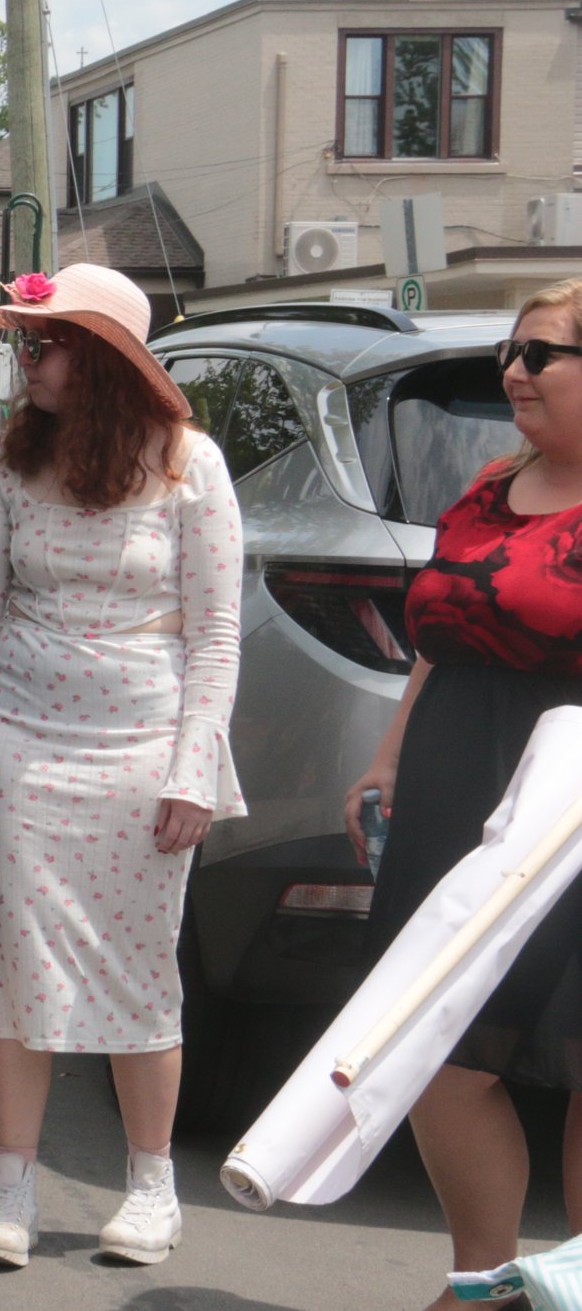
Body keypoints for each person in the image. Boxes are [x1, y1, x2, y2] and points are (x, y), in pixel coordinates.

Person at [0, 262, 245, 1270]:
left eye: (49, 340)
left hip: (141, 749)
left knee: (138, 966)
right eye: (26, 340)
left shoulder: (187, 464)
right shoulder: (4, 468)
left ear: (108, 358)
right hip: (21, 748)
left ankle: (151, 1186)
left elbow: (214, 632)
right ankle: (11, 1186)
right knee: (15, 966)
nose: (29, 358)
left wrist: (192, 765)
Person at [346, 276, 582, 1311]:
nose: (513, 371)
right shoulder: (491, 482)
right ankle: (483, 1283)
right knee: (434, 1044)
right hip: (455, 796)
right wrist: (388, 753)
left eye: (539, 355)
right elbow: (442, 639)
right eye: (510, 352)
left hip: (568, 805)